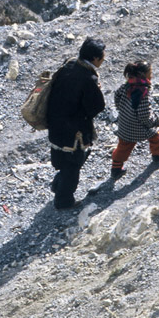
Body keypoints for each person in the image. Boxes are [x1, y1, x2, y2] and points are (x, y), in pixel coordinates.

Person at [47, 37, 106, 209]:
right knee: (73, 165)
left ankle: (58, 184)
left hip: (55, 123)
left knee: (63, 160)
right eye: (102, 57)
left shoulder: (69, 65)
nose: (103, 60)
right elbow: (96, 107)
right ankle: (63, 201)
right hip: (74, 131)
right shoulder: (88, 78)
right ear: (95, 59)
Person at [111, 59, 159, 178]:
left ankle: (116, 168)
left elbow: (117, 96)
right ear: (144, 75)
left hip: (125, 122)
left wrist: (121, 108)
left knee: (123, 146)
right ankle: (158, 154)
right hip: (138, 125)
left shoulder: (127, 85)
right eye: (150, 72)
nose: (152, 75)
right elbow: (144, 114)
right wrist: (153, 122)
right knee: (155, 135)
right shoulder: (142, 91)